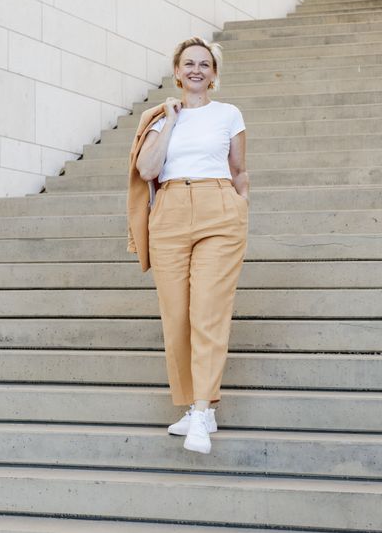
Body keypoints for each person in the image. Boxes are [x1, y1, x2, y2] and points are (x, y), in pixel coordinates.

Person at [127, 36, 248, 454]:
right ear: (177, 72)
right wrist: (172, 121)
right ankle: (199, 405)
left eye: (205, 64)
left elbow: (238, 169)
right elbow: (146, 170)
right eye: (188, 63)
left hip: (218, 207)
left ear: (213, 75)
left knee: (208, 312)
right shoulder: (159, 118)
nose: (197, 69)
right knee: (176, 315)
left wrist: (239, 205)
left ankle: (200, 412)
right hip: (171, 212)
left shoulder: (229, 114)